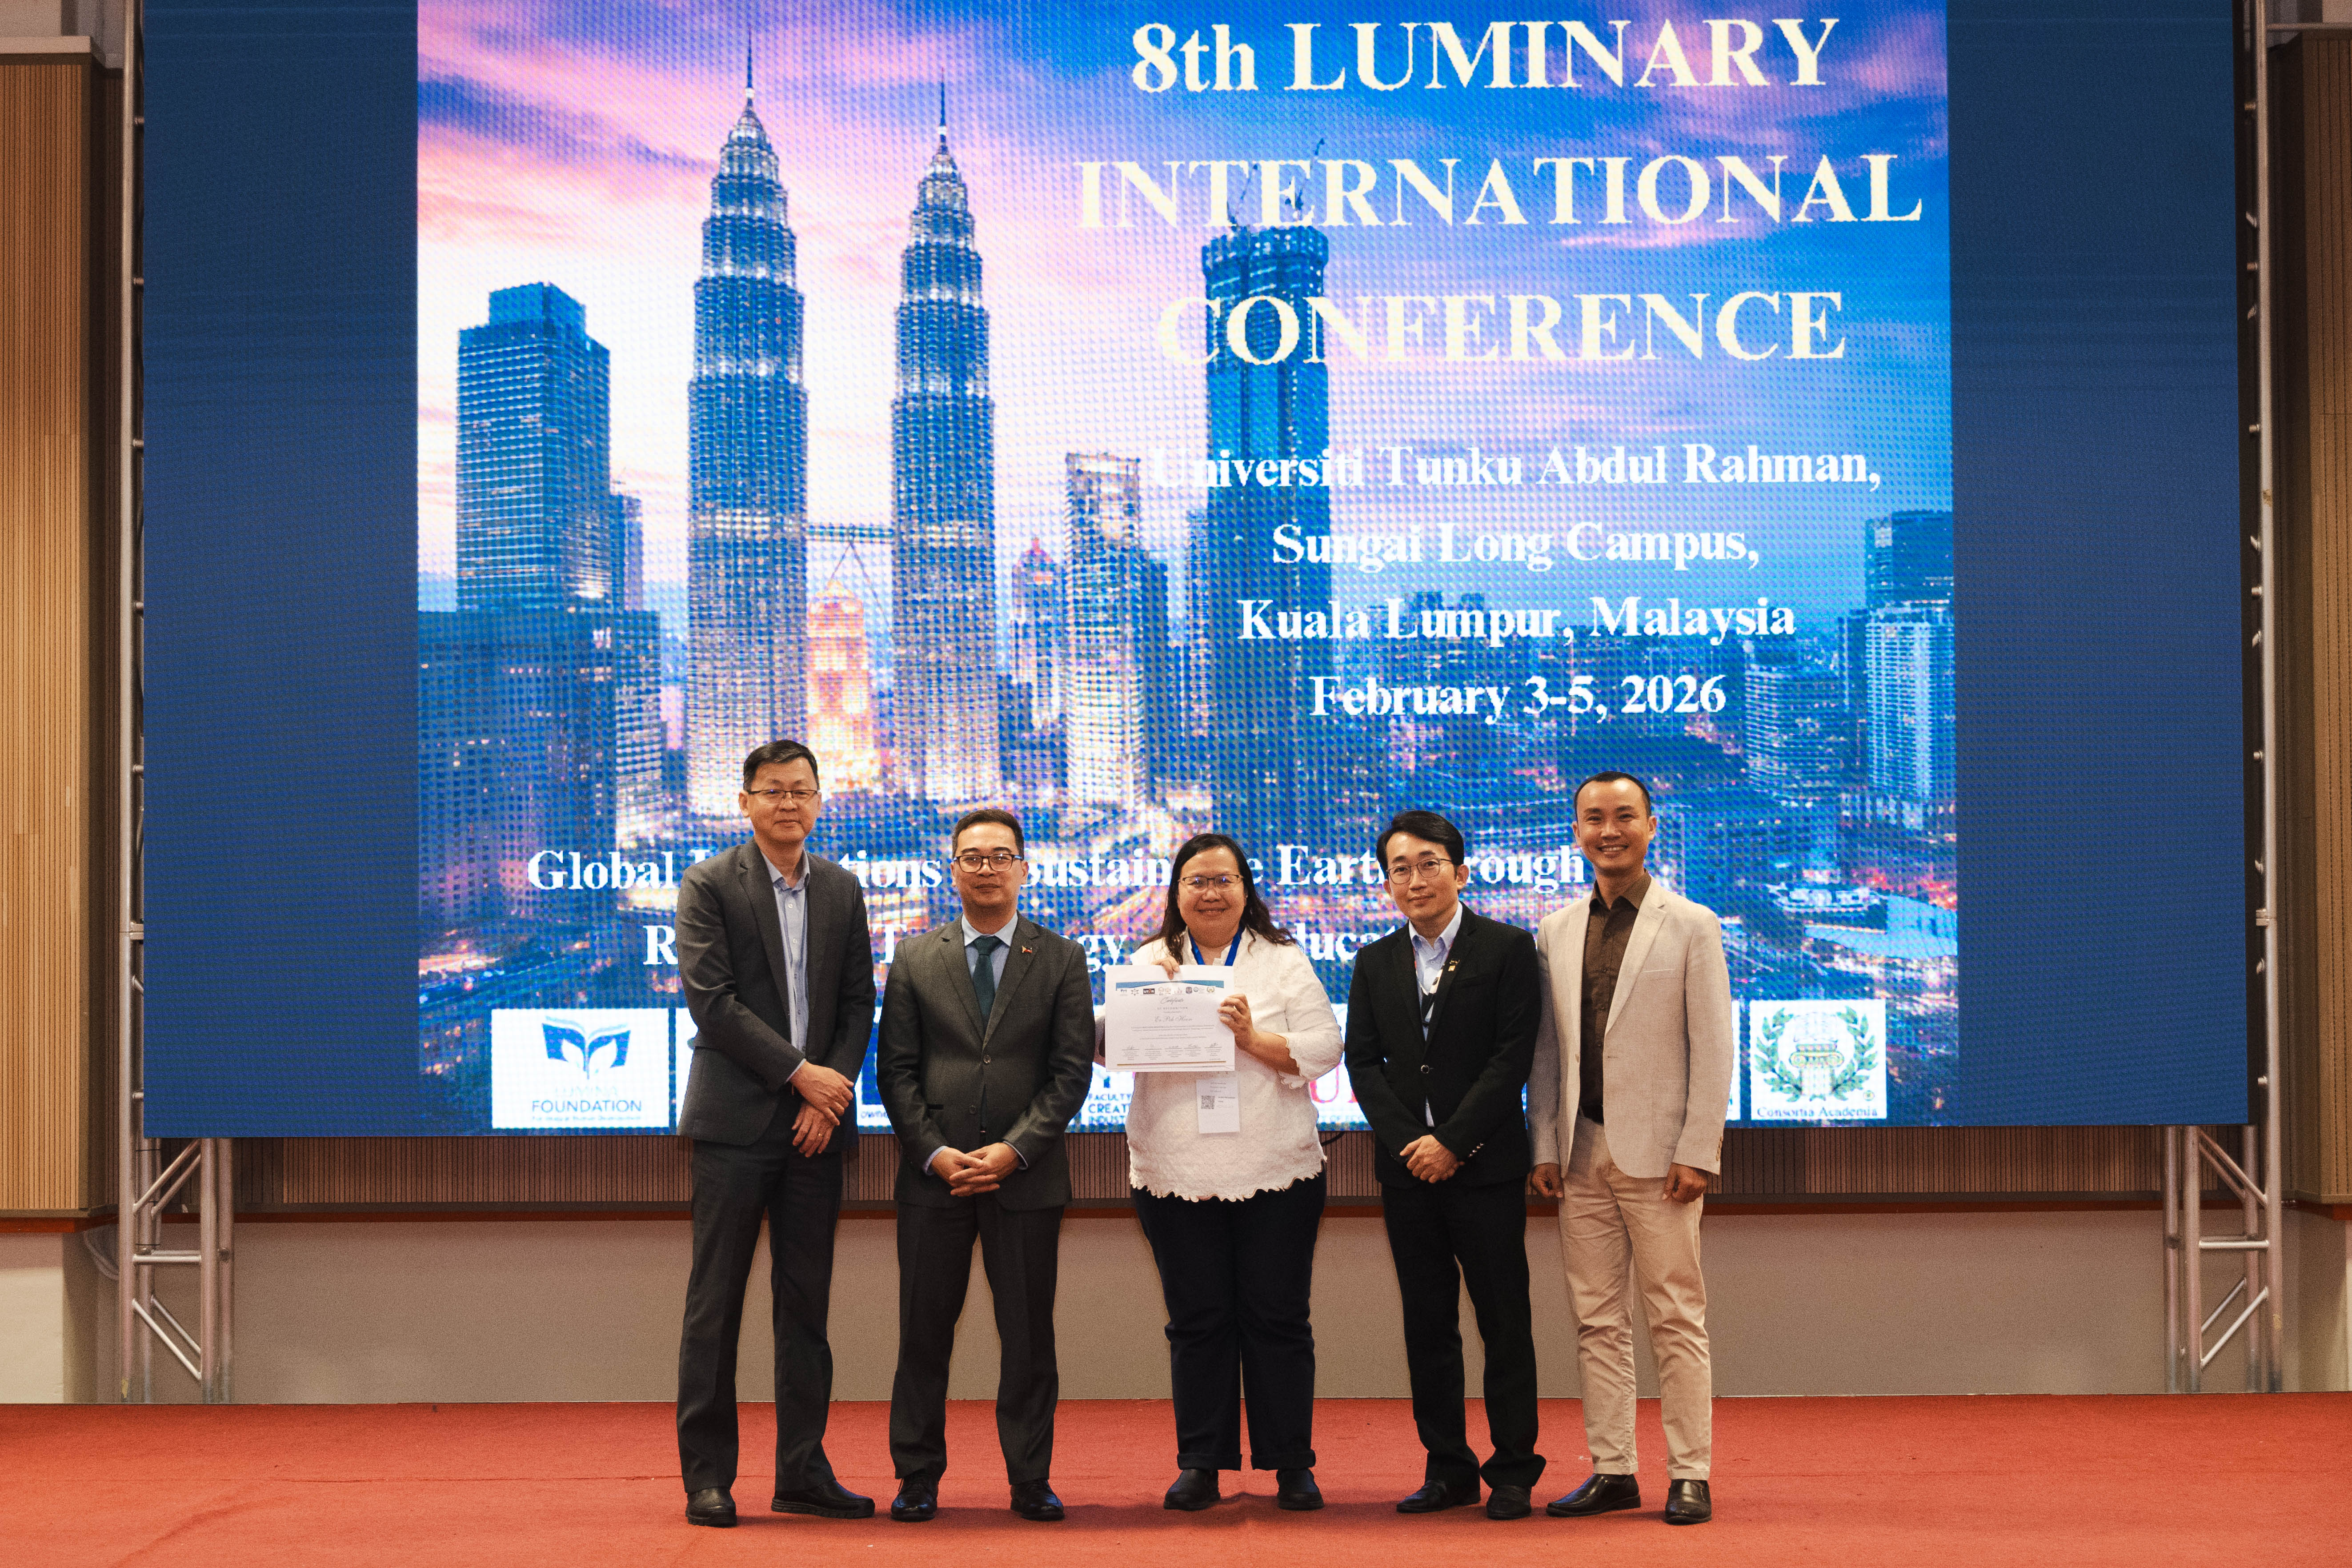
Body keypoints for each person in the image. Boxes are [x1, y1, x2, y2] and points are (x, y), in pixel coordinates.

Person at [672, 740, 875, 1528]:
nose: (789, 804)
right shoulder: (709, 883)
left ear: (820, 800)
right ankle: (708, 1478)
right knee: (714, 1306)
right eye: (773, 791)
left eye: (801, 791)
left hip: (816, 1132)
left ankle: (802, 1473)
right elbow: (714, 1003)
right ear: (746, 803)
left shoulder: (843, 889)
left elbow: (857, 1004)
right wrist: (802, 1076)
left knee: (806, 1309)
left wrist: (829, 1096)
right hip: (735, 1124)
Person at [874, 807, 1095, 1523]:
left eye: (1001, 856)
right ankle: (917, 1477)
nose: (987, 869)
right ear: (953, 870)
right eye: (972, 857)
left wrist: (1013, 1149)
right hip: (933, 1180)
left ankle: (1031, 1478)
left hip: (1026, 1178)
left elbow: (1069, 1074)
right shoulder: (915, 957)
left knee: (1029, 1338)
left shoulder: (1061, 958)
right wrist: (935, 1154)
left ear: (1024, 869)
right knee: (923, 1335)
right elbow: (895, 1071)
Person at [1528, 771, 1735, 1528]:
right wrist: (1543, 1142)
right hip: (1579, 1152)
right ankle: (1614, 1468)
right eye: (1594, 818)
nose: (1608, 830)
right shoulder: (1554, 930)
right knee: (1596, 1319)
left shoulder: (1693, 924)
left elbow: (1714, 1046)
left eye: (1623, 816)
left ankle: (1690, 1473)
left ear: (1651, 826)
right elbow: (1548, 1051)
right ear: (1577, 831)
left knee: (1675, 1316)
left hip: (1662, 1158)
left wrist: (1699, 1149)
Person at [1120, 833, 1343, 1514]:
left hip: (1276, 1169)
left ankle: (1292, 1465)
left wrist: (1252, 1039)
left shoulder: (1284, 960)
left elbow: (1326, 1048)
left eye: (1224, 880)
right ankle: (1201, 1463)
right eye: (1197, 881)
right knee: (1197, 1322)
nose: (1211, 893)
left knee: (1279, 1320)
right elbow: (1109, 1051)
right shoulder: (1148, 962)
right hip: (1175, 1170)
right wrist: (1140, 1011)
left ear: (1246, 889)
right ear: (1176, 893)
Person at [1343, 810, 1546, 1520]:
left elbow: (1512, 1059)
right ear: (1387, 885)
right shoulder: (1374, 961)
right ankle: (1447, 1468)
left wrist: (1453, 1142)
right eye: (1400, 869)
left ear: (1460, 873)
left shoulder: (1507, 947)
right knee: (1428, 1325)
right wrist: (1414, 1145)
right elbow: (1364, 1065)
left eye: (1429, 864)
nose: (1415, 880)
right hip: (1408, 1175)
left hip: (1485, 1169)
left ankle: (1513, 1470)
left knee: (1503, 1323)